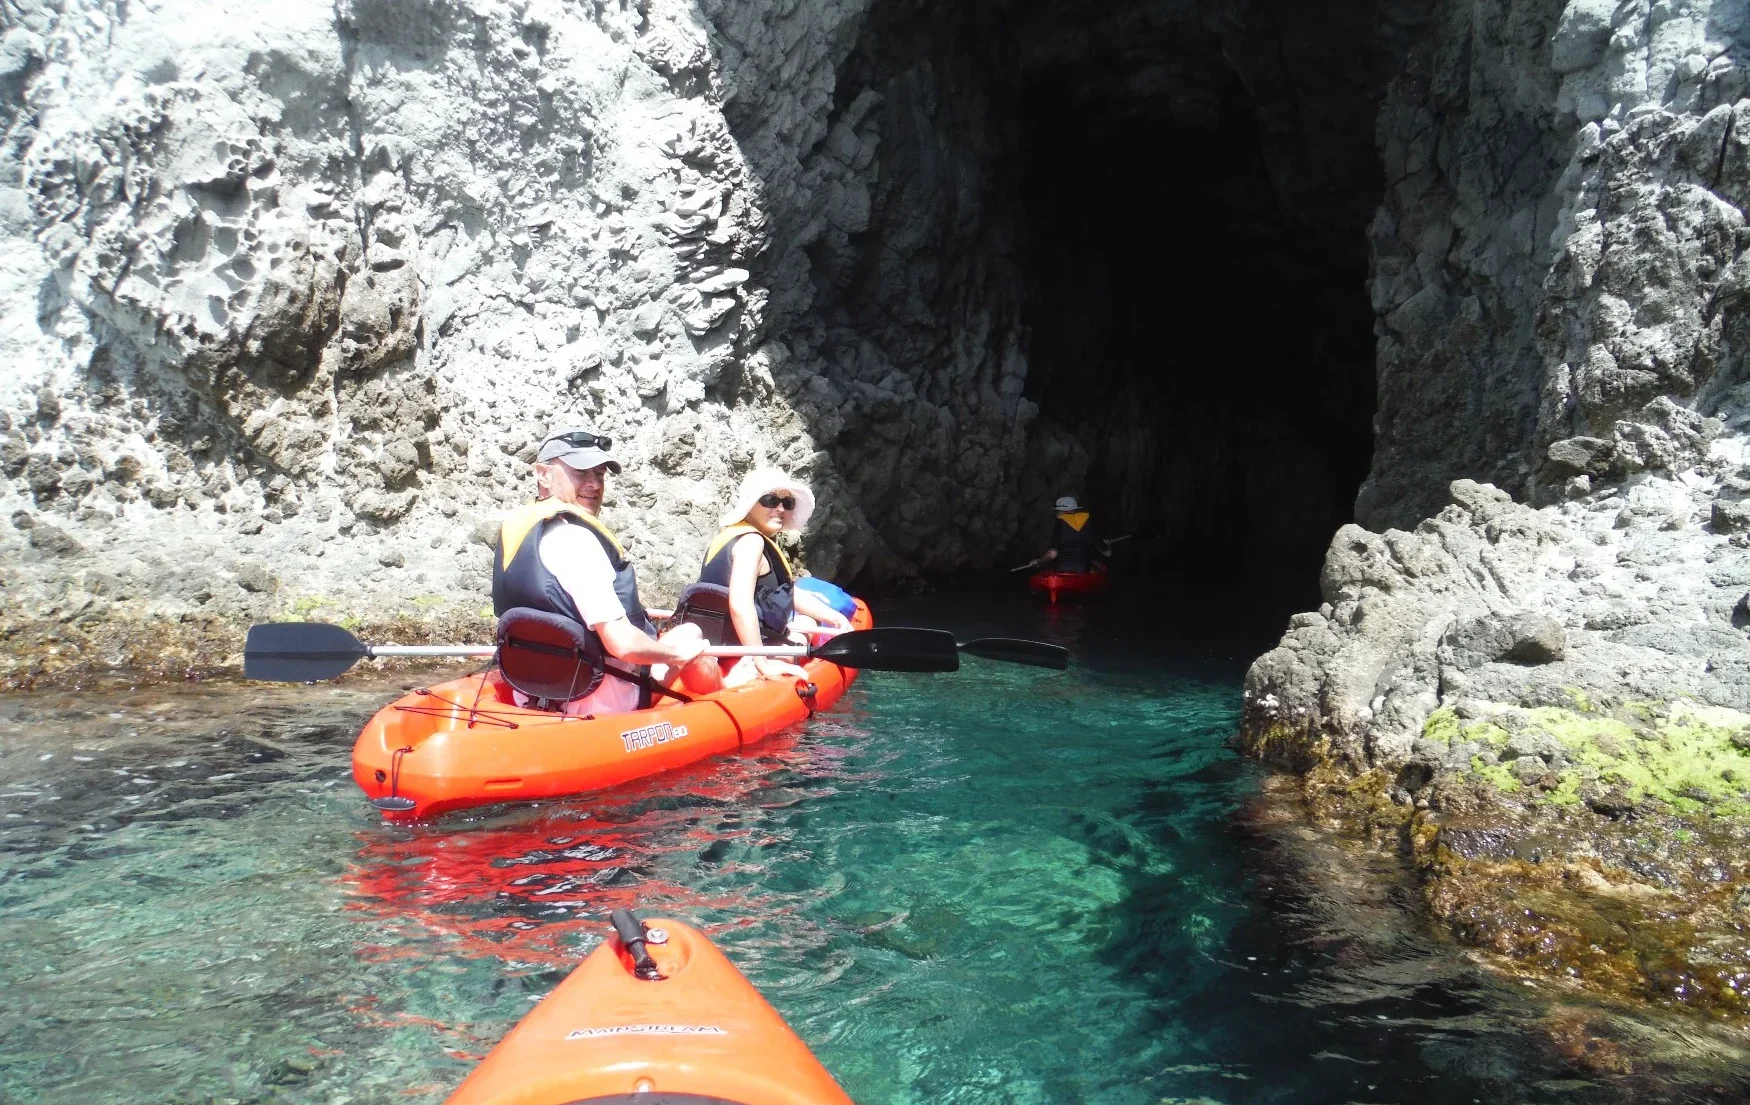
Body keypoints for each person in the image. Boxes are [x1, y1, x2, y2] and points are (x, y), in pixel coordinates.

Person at [492, 423, 712, 715]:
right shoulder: (576, 540)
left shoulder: (521, 529)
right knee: (692, 634)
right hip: (601, 698)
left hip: (531, 693)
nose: (594, 484)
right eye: (580, 473)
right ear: (543, 474)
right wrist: (676, 655)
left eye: (599, 474)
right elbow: (623, 645)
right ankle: (724, 699)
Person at [697, 467, 852, 685]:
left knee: (805, 618)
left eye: (787, 504)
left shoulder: (731, 535)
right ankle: (743, 674)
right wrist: (762, 663)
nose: (780, 509)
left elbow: (781, 592)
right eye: (770, 501)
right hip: (736, 650)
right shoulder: (752, 542)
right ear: (750, 504)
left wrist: (832, 616)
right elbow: (740, 605)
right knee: (801, 630)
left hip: (716, 641)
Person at [1025, 495, 1111, 573]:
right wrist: (1107, 545)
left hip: (1062, 572)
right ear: (1075, 510)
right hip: (1083, 571)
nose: (1057, 514)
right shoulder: (1088, 525)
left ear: (1063, 511)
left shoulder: (1060, 526)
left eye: (1058, 511)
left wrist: (1039, 561)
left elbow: (1052, 555)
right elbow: (1108, 553)